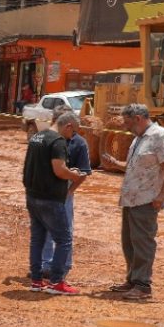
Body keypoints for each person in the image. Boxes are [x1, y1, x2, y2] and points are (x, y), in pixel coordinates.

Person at [102, 103, 164, 301]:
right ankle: (133, 280)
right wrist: (116, 164)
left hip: (147, 200)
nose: (126, 127)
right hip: (130, 199)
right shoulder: (138, 139)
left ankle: (143, 285)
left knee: (143, 242)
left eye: (128, 122)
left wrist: (162, 196)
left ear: (138, 119)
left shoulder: (160, 136)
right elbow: (134, 166)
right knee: (129, 242)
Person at [21, 111, 88, 294]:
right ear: (67, 126)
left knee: (38, 239)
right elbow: (59, 170)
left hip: (32, 196)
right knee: (64, 240)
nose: (72, 136)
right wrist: (74, 175)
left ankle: (36, 281)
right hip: (51, 199)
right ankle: (57, 282)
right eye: (73, 131)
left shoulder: (36, 137)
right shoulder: (57, 141)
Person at [40, 113, 91, 277]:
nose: (73, 133)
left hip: (65, 192)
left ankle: (64, 266)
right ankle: (45, 265)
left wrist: (70, 192)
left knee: (65, 230)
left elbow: (84, 172)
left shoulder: (79, 144)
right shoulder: (49, 140)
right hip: (47, 191)